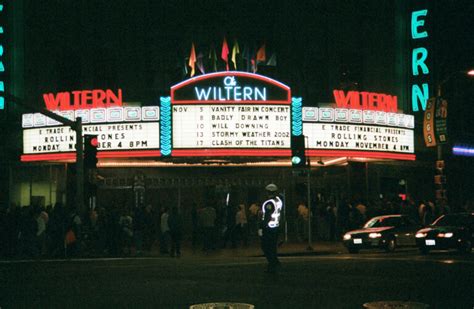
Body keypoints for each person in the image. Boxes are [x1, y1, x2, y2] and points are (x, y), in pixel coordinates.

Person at [259, 183, 283, 273]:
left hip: (268, 227)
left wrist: (261, 227)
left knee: (266, 247)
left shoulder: (269, 203)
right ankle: (274, 262)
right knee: (273, 247)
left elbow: (267, 216)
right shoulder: (278, 201)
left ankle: (272, 263)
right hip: (276, 226)